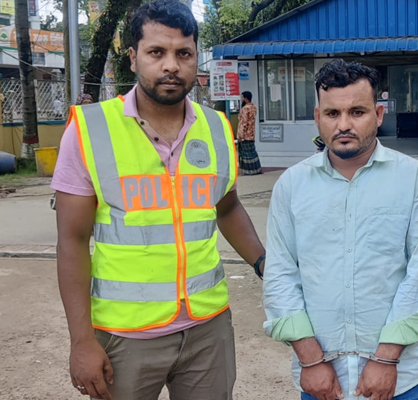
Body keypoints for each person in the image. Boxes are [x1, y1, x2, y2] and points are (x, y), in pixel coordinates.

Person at [50, 1, 266, 399]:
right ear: (133, 58)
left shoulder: (217, 127)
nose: (171, 65)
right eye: (156, 53)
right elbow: (72, 241)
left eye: (183, 53)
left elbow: (228, 206)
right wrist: (81, 340)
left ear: (196, 58)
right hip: (125, 334)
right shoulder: (90, 129)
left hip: (208, 326)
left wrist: (263, 262)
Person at [263, 59, 418, 400]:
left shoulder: (414, 180)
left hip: (399, 380)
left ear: (378, 114)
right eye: (332, 114)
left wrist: (385, 359)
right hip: (320, 379)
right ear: (317, 118)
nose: (344, 124)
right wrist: (310, 360)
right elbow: (280, 275)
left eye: (357, 112)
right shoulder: (291, 186)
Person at [237, 90, 262, 175]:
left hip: (245, 135)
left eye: (242, 97)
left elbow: (243, 123)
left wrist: (240, 135)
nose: (241, 99)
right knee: (252, 152)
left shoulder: (245, 109)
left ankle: (248, 171)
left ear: (245, 98)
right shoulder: (254, 107)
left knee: (246, 154)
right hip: (251, 134)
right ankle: (256, 169)